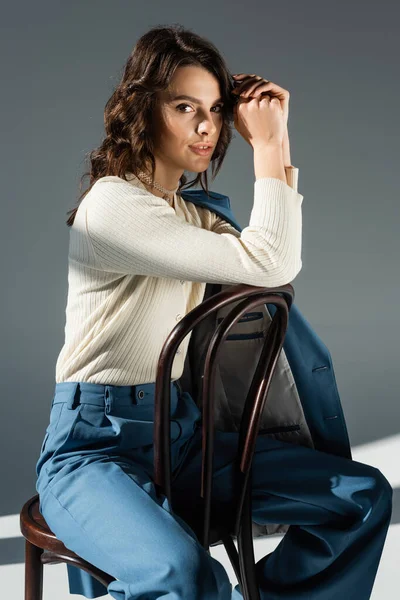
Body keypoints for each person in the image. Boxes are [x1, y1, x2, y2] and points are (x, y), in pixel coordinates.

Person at [35, 24, 392, 600]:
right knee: (184, 577)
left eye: (216, 109)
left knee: (361, 498)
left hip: (181, 438)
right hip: (94, 446)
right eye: (184, 107)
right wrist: (273, 146)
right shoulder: (114, 205)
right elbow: (272, 261)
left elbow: (272, 266)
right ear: (142, 110)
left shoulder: (187, 213)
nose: (207, 126)